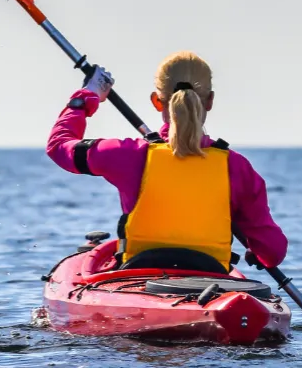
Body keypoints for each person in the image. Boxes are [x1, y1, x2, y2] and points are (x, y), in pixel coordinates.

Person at [46, 50, 287, 274]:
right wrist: (257, 253)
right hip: (211, 277)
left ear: (157, 101)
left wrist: (87, 97)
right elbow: (272, 251)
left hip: (138, 276)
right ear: (210, 101)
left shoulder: (128, 154)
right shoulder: (237, 167)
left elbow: (59, 147)